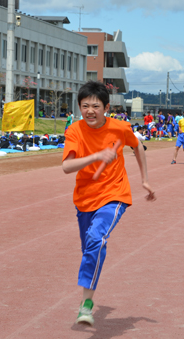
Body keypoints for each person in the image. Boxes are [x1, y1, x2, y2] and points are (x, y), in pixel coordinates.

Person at [61, 81, 155, 326]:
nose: (90, 111)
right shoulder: (74, 131)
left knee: (96, 238)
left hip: (114, 195)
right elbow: (66, 167)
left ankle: (86, 305)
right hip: (84, 199)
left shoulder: (120, 128)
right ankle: (88, 301)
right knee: (89, 249)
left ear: (106, 107)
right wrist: (96, 156)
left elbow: (138, 148)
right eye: (85, 106)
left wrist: (144, 180)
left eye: (95, 106)